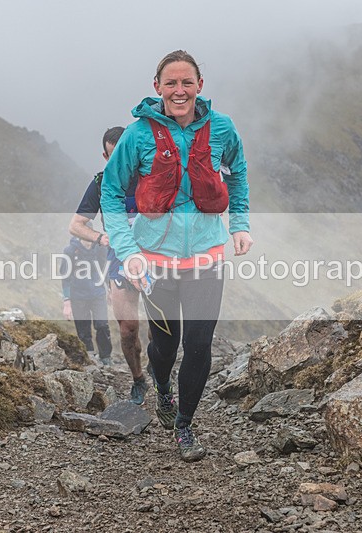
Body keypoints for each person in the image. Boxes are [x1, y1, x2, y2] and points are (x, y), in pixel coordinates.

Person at [101, 50, 252, 462]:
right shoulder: (136, 134)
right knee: (166, 346)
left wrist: (240, 226)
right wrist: (127, 250)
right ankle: (162, 387)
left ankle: (184, 424)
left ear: (200, 86)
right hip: (155, 263)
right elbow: (111, 194)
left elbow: (238, 174)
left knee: (199, 344)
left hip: (206, 258)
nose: (180, 90)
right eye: (171, 83)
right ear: (158, 88)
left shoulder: (222, 129)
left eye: (187, 83)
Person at [68, 127, 152, 405]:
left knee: (160, 328)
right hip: (119, 261)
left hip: (155, 257)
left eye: (124, 154)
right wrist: (101, 237)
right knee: (128, 329)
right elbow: (76, 225)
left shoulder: (152, 176)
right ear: (105, 156)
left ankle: (159, 371)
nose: (120, 162)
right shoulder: (101, 182)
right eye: (113, 156)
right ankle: (139, 379)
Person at [61, 235, 113, 365]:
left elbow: (105, 270)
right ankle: (89, 356)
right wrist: (67, 301)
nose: (88, 241)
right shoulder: (70, 251)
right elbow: (65, 277)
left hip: (98, 293)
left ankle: (105, 357)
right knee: (83, 329)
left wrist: (110, 290)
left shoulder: (100, 249)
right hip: (78, 295)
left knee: (102, 325)